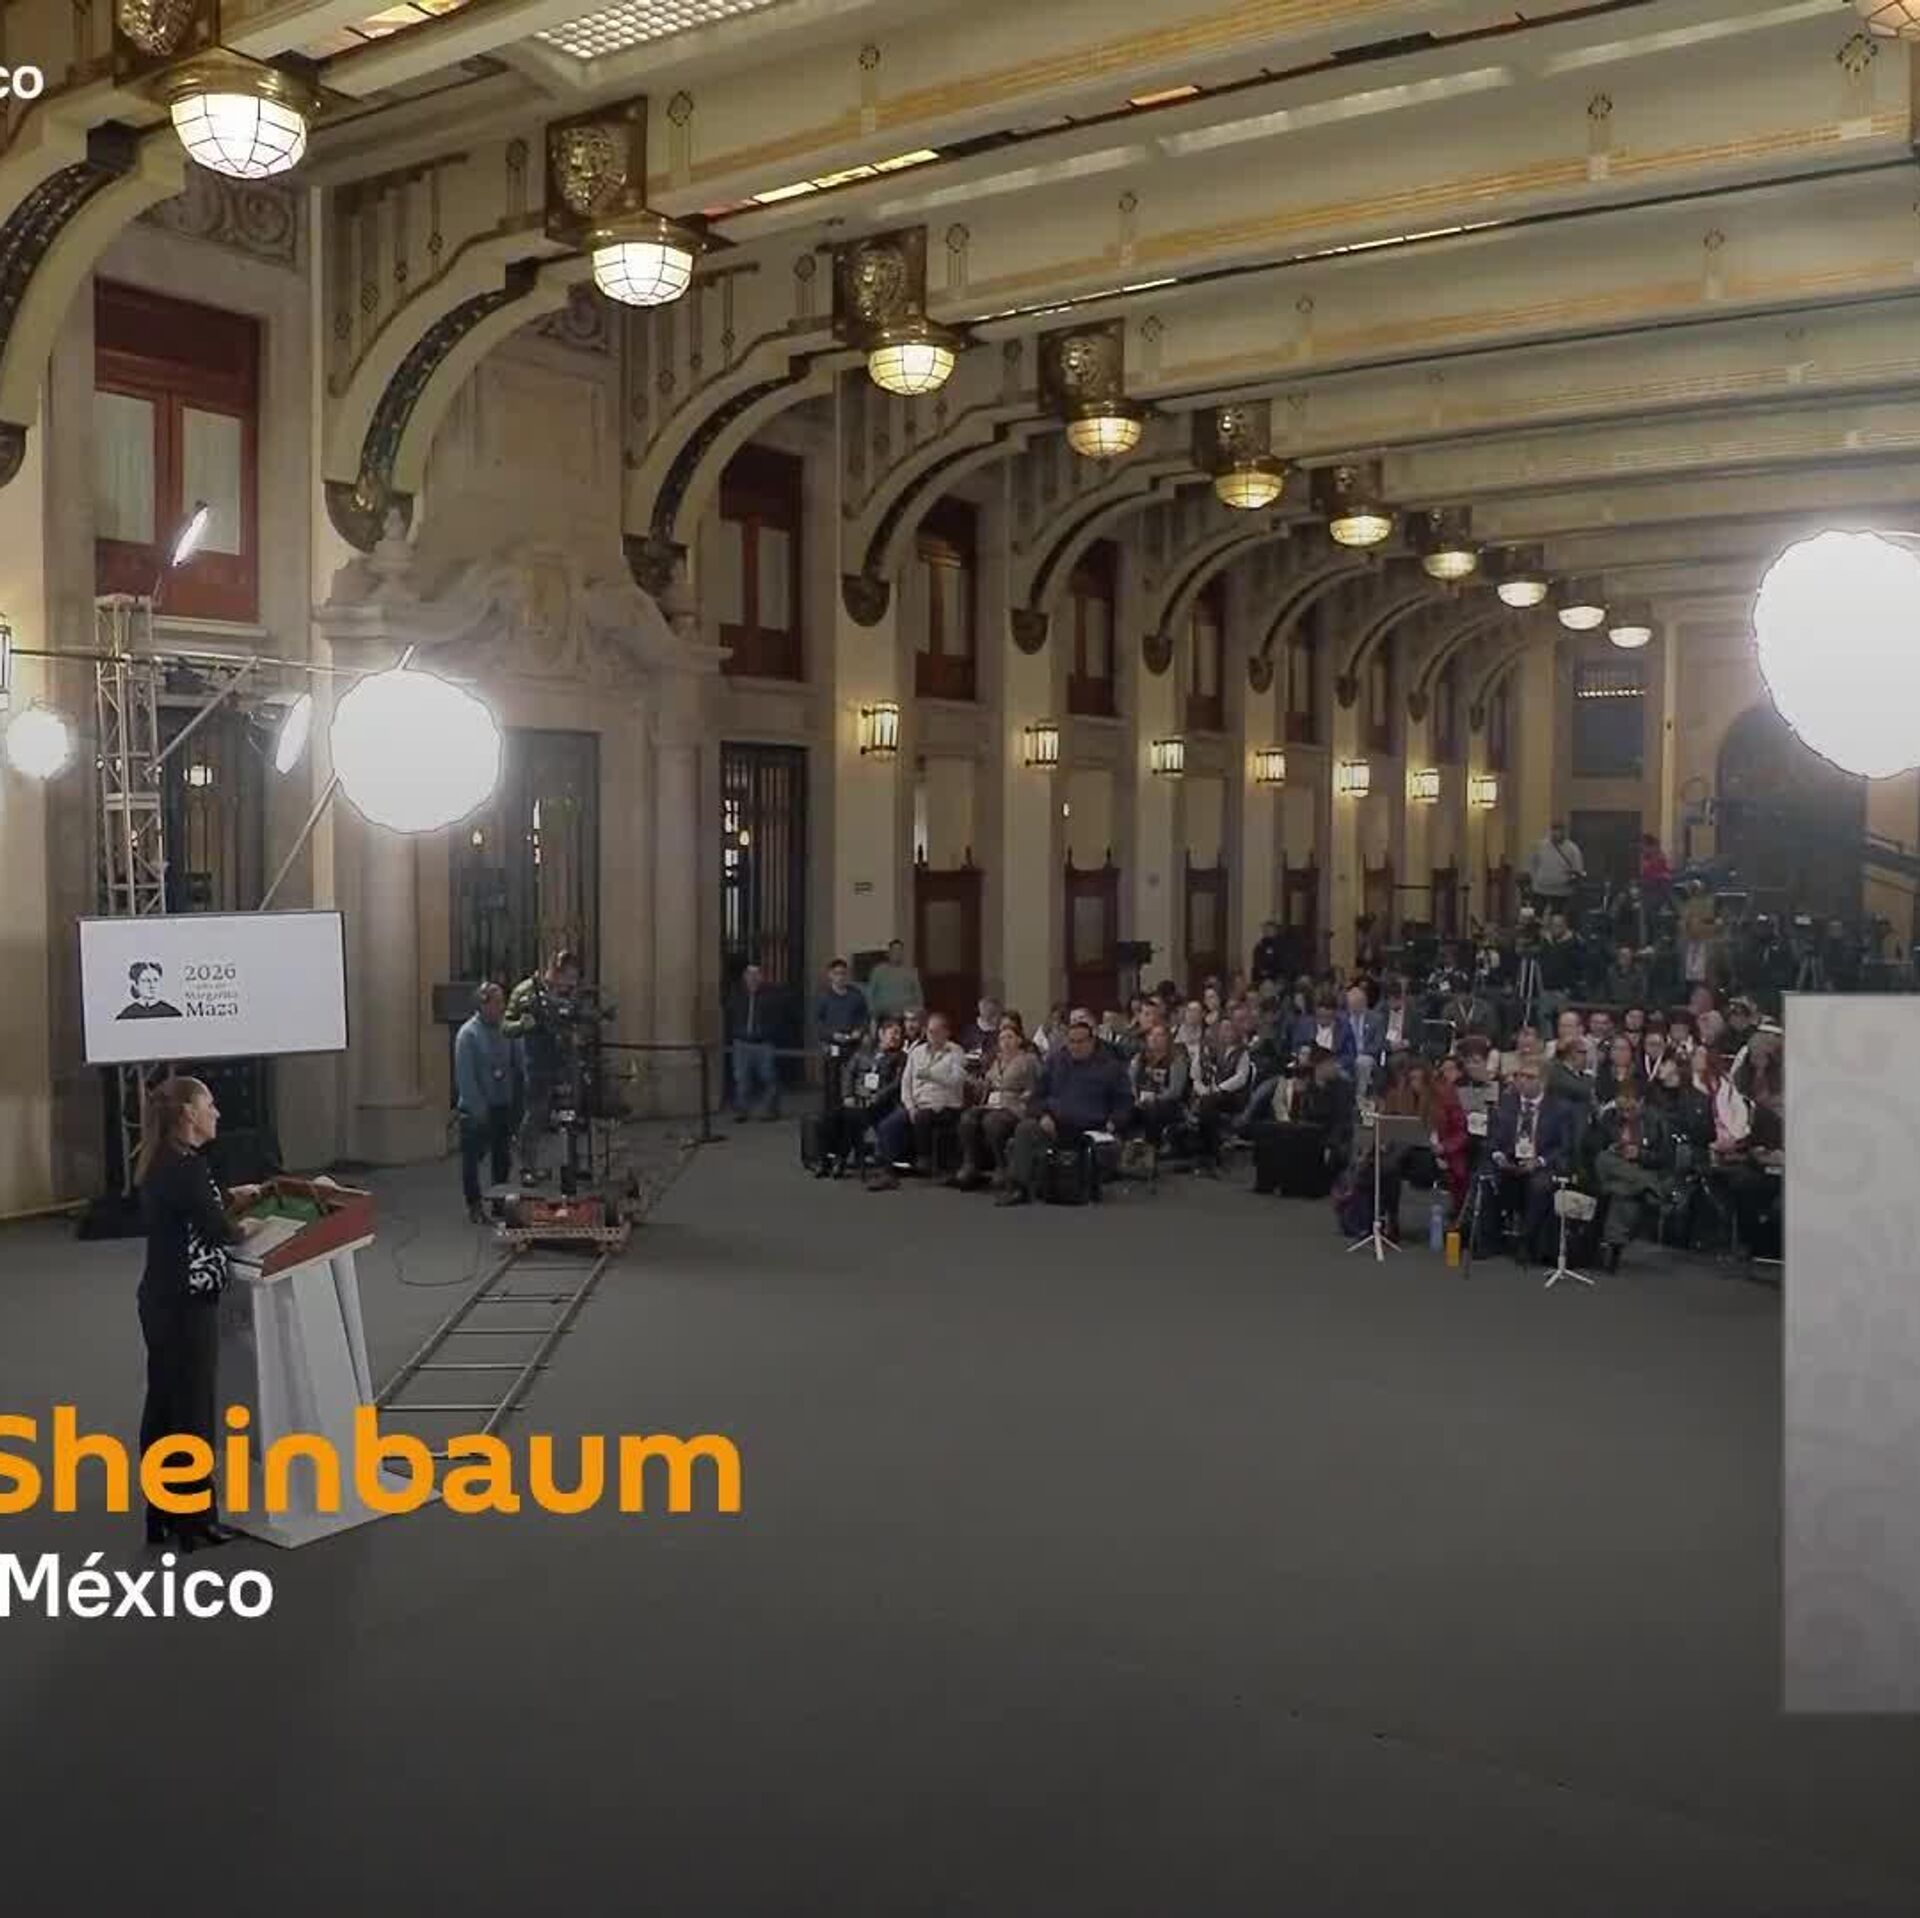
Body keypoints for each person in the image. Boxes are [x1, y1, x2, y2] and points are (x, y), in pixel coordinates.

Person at [135, 1076, 263, 1552]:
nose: (217, 1113)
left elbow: (191, 1209)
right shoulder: (188, 1168)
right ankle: (196, 1520)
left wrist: (227, 1197)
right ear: (188, 1113)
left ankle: (162, 1512)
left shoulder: (164, 1161)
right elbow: (219, 1230)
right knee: (192, 1414)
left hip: (160, 1300)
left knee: (165, 1407)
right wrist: (250, 1223)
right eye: (209, 1104)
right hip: (187, 1305)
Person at [1000, 1017, 1133, 1206]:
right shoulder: (1055, 1062)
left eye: (1081, 1042)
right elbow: (1036, 1098)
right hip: (1055, 1124)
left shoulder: (1110, 1068)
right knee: (1026, 1129)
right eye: (1072, 1042)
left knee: (1107, 1148)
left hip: (1092, 1127)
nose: (1076, 1046)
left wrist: (1114, 1122)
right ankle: (1018, 1188)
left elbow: (1125, 1101)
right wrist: (1043, 1115)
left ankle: (1084, 1186)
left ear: (1092, 1042)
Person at [503, 948, 584, 1184]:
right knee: (535, 1116)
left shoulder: (568, 992)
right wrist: (523, 1024)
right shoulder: (526, 990)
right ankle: (527, 1167)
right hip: (537, 1062)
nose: (571, 984)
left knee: (569, 1114)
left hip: (565, 1060)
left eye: (574, 978)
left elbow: (574, 1017)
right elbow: (506, 1027)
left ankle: (570, 1165)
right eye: (568, 977)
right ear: (555, 972)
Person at [1485, 1060, 1577, 1262]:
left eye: (1529, 1077)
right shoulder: (1507, 1103)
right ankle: (1487, 1239)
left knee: (1539, 1186)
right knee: (1484, 1178)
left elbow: (1565, 1147)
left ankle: (1527, 1242)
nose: (1522, 1081)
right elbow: (1494, 1138)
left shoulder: (1560, 1109)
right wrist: (1499, 1156)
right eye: (1519, 1076)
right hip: (1510, 1160)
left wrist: (1540, 1161)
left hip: (1541, 1163)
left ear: (1543, 1081)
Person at [869, 1011, 968, 1188]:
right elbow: (906, 1083)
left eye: (937, 1031)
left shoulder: (956, 1052)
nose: (933, 1035)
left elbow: (957, 1080)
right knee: (887, 1125)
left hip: (944, 1105)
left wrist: (932, 1075)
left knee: (924, 1117)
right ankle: (887, 1172)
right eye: (930, 1031)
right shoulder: (917, 1052)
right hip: (917, 1105)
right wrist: (910, 1106)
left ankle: (925, 1160)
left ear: (946, 1032)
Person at [1592, 1076, 1671, 1271]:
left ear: (1641, 1102)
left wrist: (1640, 1154)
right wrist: (1613, 1148)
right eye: (1621, 1109)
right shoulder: (1609, 1117)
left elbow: (1666, 1158)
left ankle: (1613, 1246)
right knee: (1604, 1159)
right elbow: (1595, 1150)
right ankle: (1648, 1187)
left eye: (1630, 1109)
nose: (1625, 1114)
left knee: (1622, 1192)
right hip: (1613, 1168)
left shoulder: (1656, 1120)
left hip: (1640, 1169)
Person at [455, 982, 518, 1223]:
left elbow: (516, 1063)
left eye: (503, 1001)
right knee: (472, 1160)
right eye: (497, 1002)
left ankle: (500, 1202)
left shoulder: (505, 1030)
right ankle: (474, 1204)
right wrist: (478, 1110)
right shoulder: (468, 1035)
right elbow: (466, 1077)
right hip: (476, 1109)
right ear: (483, 1005)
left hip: (502, 1104)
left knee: (502, 1158)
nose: (501, 1007)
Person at [953, 1023, 1040, 1190]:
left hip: (1014, 1106)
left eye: (1010, 1037)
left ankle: (1001, 1166)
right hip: (992, 1104)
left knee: (992, 1122)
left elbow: (1036, 1086)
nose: (1005, 1042)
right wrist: (976, 1084)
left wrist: (1027, 1095)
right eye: (1002, 1038)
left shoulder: (1028, 1060)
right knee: (968, 1118)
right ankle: (971, 1164)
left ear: (1019, 1040)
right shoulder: (997, 1061)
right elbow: (987, 1083)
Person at [823, 1017, 906, 1177]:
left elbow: (896, 1083)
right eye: (894, 1033)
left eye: (899, 1034)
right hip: (856, 1099)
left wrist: (876, 1097)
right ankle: (826, 1158)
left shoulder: (901, 1057)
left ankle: (840, 1160)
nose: (897, 1037)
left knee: (853, 1117)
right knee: (832, 1116)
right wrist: (848, 1095)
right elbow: (848, 1073)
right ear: (881, 1033)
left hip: (881, 1103)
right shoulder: (864, 1052)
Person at [725, 962, 786, 1123]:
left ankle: (770, 1110)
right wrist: (736, 1031)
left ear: (761, 977)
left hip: (764, 1042)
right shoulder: (736, 994)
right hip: (741, 1042)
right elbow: (730, 1014)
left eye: (756, 974)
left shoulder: (771, 995)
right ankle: (741, 1110)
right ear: (744, 977)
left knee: (768, 1076)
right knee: (741, 1079)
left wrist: (769, 1031)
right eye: (750, 974)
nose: (753, 978)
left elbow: (779, 1017)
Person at [814, 958, 870, 1117]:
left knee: (853, 1077)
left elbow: (864, 1017)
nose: (840, 977)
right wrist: (832, 1035)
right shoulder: (824, 996)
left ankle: (852, 1112)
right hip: (832, 1045)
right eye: (837, 973)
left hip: (853, 1043)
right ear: (830, 975)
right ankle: (831, 1113)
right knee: (832, 1080)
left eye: (843, 973)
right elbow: (818, 1022)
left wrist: (860, 1031)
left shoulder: (856, 995)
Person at [1527, 820, 1586, 907]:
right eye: (1553, 829)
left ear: (1564, 831)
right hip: (1540, 889)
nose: (1555, 832)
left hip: (1562, 891)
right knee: (1538, 913)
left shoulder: (1572, 849)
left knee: (1558, 914)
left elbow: (1578, 868)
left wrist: (1571, 879)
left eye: (1559, 829)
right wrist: (1535, 880)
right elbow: (1533, 864)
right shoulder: (1540, 846)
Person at [864, 939, 923, 1023]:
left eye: (899, 950)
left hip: (906, 1017)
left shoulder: (911, 972)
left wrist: (917, 1012)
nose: (897, 953)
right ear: (888, 953)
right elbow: (870, 993)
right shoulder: (878, 971)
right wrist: (873, 1012)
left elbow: (918, 995)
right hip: (883, 1016)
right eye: (894, 950)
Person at [116, 960, 182, 1020]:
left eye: (155, 980)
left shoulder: (172, 1013)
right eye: (146, 981)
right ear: (136, 984)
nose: (152, 985)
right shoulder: (126, 1014)